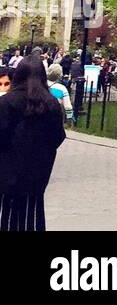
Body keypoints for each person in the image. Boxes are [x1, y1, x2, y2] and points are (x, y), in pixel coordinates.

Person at [0, 56, 66, 230]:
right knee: (32, 218)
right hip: (37, 173)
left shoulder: (7, 102)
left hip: (6, 173)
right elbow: (58, 136)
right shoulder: (51, 104)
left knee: (5, 218)